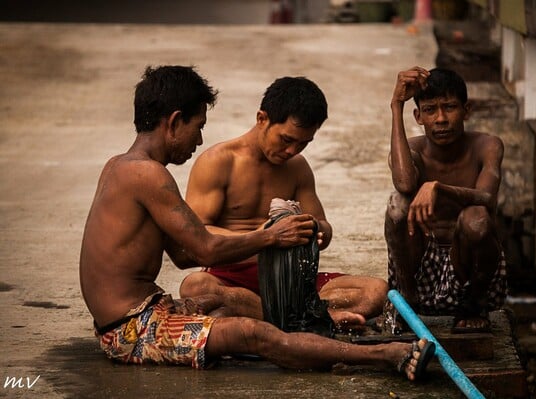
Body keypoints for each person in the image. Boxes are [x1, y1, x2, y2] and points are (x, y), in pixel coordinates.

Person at [79, 65, 436, 378]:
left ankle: (315, 324)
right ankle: (383, 356)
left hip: (143, 313)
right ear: (174, 121)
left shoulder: (123, 166)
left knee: (232, 317)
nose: (199, 139)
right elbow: (202, 247)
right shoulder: (147, 174)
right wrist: (270, 237)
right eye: (197, 126)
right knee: (253, 334)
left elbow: (184, 254)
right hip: (130, 329)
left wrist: (306, 230)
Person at [178, 76, 388, 328]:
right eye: (287, 140)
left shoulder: (297, 168)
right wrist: (264, 236)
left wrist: (315, 229)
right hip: (233, 279)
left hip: (294, 282)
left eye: (303, 143)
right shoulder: (218, 162)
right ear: (261, 119)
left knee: (377, 291)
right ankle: (312, 319)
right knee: (195, 286)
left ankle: (284, 318)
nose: (292, 151)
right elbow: (198, 236)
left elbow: (324, 229)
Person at [384, 66, 507, 332]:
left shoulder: (487, 145)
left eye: (449, 107)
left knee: (476, 218)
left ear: (466, 110)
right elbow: (404, 182)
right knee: (398, 203)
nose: (441, 119)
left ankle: (474, 303)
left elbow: (487, 198)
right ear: (418, 116)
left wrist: (439, 188)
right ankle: (407, 299)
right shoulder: (413, 149)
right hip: (419, 272)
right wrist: (396, 105)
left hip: (470, 268)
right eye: (430, 110)